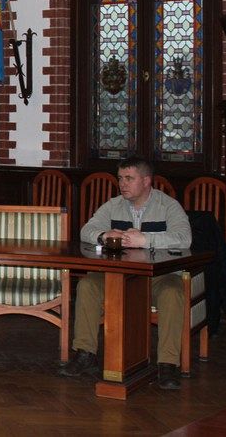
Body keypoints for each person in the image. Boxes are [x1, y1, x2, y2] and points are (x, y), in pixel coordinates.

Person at [59, 157, 192, 390]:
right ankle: (85, 354)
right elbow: (86, 231)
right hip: (116, 276)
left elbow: (184, 238)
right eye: (120, 178)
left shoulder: (169, 206)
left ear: (146, 181)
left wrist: (145, 240)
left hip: (158, 276)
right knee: (87, 285)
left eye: (129, 178)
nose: (122, 184)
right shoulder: (113, 205)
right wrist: (104, 236)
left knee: (172, 293)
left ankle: (167, 364)